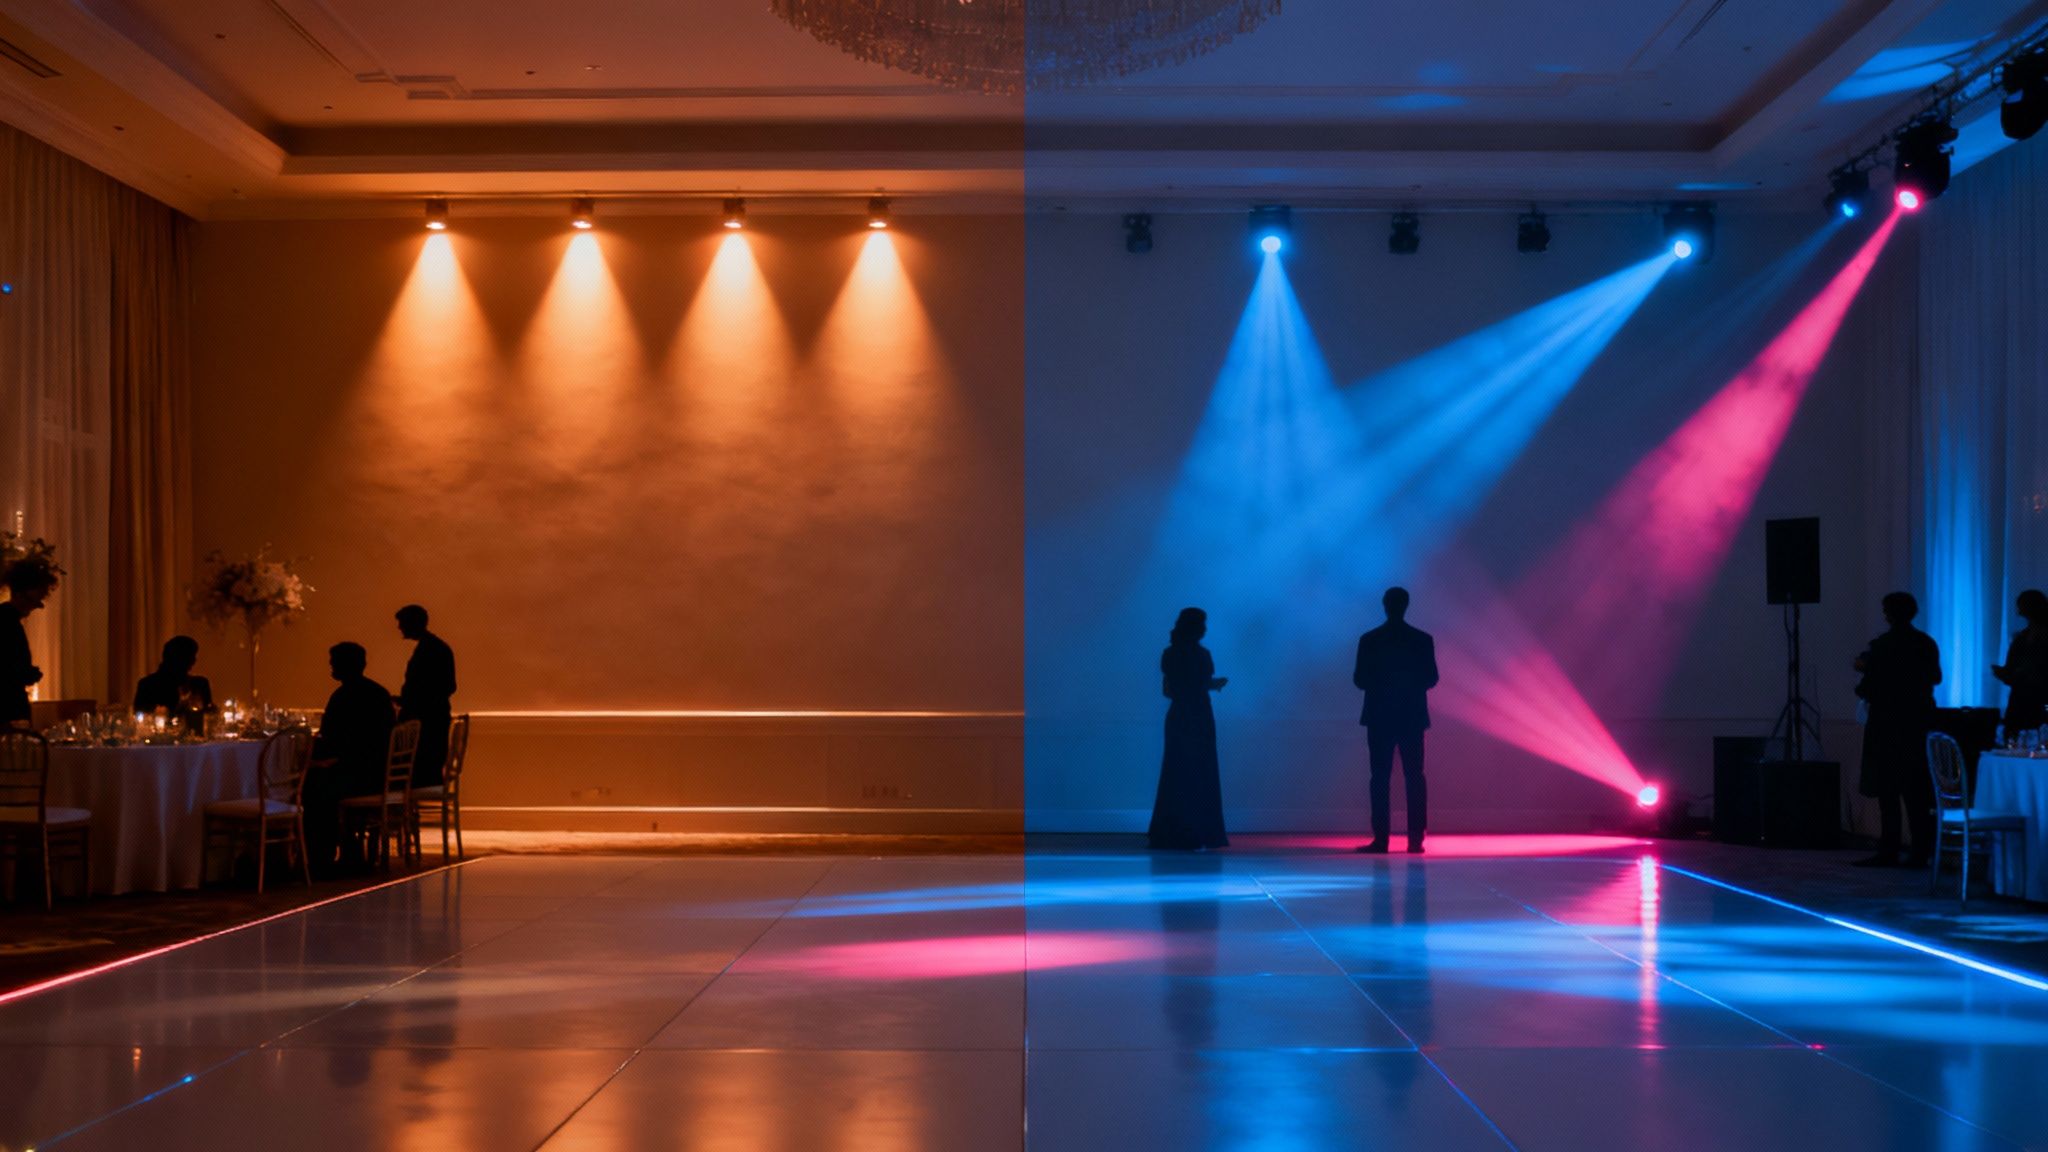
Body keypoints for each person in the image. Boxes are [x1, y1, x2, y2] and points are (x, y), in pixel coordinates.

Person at [1853, 592, 1942, 868]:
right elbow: (1936, 677)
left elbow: (1866, 687)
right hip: (1917, 724)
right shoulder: (1925, 642)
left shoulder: (1882, 646)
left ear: (1889, 614)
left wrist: (1863, 669)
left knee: (1887, 792)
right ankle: (1920, 851)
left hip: (1886, 725)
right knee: (1917, 792)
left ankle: (1889, 848)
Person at [1354, 586, 1439, 854]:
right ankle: (1415, 840)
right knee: (1415, 777)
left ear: (1385, 605)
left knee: (1379, 777)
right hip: (1412, 717)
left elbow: (1359, 680)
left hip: (1380, 718)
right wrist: (1408, 686)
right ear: (1406, 605)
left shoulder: (1370, 640)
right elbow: (1431, 679)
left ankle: (1381, 839)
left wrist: (1383, 686)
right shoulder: (1422, 640)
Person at [305, 642, 395, 875]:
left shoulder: (343, 696)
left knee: (311, 786)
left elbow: (332, 738)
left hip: (359, 775)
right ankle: (343, 847)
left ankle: (320, 857)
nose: (331, 667)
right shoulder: (378, 693)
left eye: (334, 662)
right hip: (378, 772)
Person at [1148, 607, 1229, 850]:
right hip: (1200, 715)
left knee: (1176, 771)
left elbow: (1169, 690)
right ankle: (1199, 831)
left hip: (1179, 716)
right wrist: (1212, 685)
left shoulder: (1169, 654)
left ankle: (1171, 831)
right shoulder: (1202, 655)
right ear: (1196, 628)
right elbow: (1200, 684)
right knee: (1200, 772)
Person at [395, 604, 457, 789]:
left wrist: (409, 702)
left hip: (427, 722)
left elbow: (443, 686)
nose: (399, 628)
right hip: (433, 718)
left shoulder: (430, 650)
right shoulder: (435, 647)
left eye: (402, 623)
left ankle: (398, 806)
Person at [0, 566, 54, 729]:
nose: (39, 605)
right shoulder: (7, 622)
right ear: (19, 594)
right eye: (35, 599)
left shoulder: (9, 620)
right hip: (8, 708)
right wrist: (26, 673)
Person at [1992, 589, 2048, 737]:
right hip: (2022, 702)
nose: (2018, 613)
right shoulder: (2021, 638)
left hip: (2036, 702)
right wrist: (2006, 674)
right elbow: (2011, 671)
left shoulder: (2022, 638)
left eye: (2022, 608)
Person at [133, 635, 214, 724]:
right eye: (190, 656)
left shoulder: (199, 684)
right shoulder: (148, 685)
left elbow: (209, 716)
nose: (194, 660)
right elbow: (141, 719)